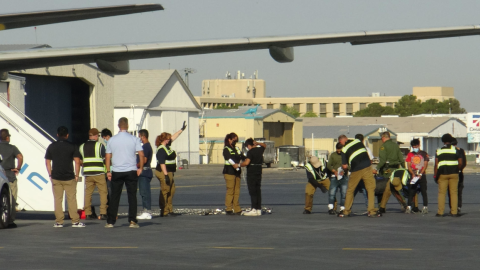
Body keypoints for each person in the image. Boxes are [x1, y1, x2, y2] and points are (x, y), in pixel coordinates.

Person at [105, 118, 144, 228]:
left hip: (117, 171)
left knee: (114, 197)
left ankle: (110, 221)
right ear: (127, 125)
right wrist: (140, 167)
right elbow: (141, 154)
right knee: (132, 196)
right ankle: (132, 220)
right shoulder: (134, 139)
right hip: (131, 170)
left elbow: (107, 157)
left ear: (118, 125)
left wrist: (108, 171)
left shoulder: (112, 140)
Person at [45, 126, 84, 228]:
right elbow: (77, 161)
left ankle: (59, 221)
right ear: (67, 135)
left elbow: (47, 161)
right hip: (69, 176)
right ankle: (75, 221)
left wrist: (50, 174)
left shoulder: (51, 146)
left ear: (57, 135)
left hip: (56, 176)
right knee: (71, 198)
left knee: (58, 199)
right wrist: (76, 174)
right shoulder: (72, 146)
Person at [338, 134, 380, 217]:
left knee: (350, 190)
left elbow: (345, 166)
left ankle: (346, 211)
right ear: (347, 138)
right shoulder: (357, 141)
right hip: (367, 167)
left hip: (356, 169)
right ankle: (371, 211)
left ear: (341, 141)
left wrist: (345, 170)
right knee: (370, 188)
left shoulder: (344, 149)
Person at [154, 122, 187, 217]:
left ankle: (169, 209)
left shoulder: (167, 146)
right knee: (165, 190)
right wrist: (165, 175)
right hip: (163, 171)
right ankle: (164, 210)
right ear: (164, 139)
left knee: (171, 190)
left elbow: (174, 137)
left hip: (170, 172)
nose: (170, 140)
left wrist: (181, 130)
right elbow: (162, 163)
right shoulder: (161, 149)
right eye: (168, 139)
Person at [79, 128, 108, 220]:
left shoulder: (82, 146)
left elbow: (79, 160)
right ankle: (103, 212)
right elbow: (105, 158)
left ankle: (87, 213)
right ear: (95, 136)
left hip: (88, 173)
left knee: (88, 193)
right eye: (98, 136)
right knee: (103, 193)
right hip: (99, 173)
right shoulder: (100, 146)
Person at [375, 131, 405, 214]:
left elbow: (383, 161)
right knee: (396, 188)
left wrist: (376, 168)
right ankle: (404, 204)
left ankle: (381, 206)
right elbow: (401, 159)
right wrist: (405, 169)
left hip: (386, 171)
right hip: (396, 171)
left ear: (383, 138)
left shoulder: (383, 147)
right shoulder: (396, 145)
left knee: (383, 189)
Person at [434, 133, 462, 217]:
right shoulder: (456, 150)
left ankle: (440, 212)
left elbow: (436, 164)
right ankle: (454, 212)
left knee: (442, 193)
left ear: (443, 141)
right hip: (454, 173)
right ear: (451, 141)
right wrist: (457, 169)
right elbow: (460, 162)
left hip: (442, 174)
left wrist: (435, 175)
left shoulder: (439, 150)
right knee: (453, 193)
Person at [0, 129, 23, 228]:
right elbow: (20, 157)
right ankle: (10, 220)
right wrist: (18, 168)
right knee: (12, 199)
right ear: (7, 137)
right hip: (10, 174)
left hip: (1, 174)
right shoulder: (12, 148)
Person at [240, 138, 266, 216]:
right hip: (258, 171)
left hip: (252, 172)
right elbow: (264, 145)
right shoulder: (259, 150)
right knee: (258, 190)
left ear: (248, 145)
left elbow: (247, 162)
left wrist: (239, 165)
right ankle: (258, 209)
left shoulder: (250, 152)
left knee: (252, 191)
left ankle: (254, 208)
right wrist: (258, 143)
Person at [222, 132, 245, 215]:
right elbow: (228, 158)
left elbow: (242, 156)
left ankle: (236, 208)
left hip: (237, 172)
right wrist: (234, 165)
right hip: (229, 172)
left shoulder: (237, 148)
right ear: (229, 139)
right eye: (234, 139)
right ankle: (228, 208)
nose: (235, 141)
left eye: (236, 140)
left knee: (237, 191)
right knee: (230, 190)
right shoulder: (226, 149)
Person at [406, 139, 429, 214]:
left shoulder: (424, 153)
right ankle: (409, 207)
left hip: (422, 175)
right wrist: (412, 174)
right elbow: (408, 165)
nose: (415, 147)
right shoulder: (410, 154)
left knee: (423, 191)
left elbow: (425, 165)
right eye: (413, 146)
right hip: (413, 175)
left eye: (416, 146)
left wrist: (420, 174)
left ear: (419, 145)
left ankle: (425, 207)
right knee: (411, 191)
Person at [136, 129, 154, 220]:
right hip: (145, 172)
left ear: (143, 136)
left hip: (144, 172)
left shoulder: (146, 147)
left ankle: (147, 211)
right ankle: (145, 210)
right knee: (143, 192)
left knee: (145, 192)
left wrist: (136, 165)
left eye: (139, 136)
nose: (139, 138)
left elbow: (144, 160)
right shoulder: (146, 146)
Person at [327, 143, 348, 215]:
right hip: (334, 176)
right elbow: (329, 165)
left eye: (340, 151)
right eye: (338, 151)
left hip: (344, 176)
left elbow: (350, 165)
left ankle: (342, 208)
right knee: (332, 193)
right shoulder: (333, 155)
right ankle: (331, 208)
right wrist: (334, 171)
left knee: (344, 193)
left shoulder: (346, 155)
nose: (339, 152)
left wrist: (345, 169)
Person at [448, 138, 466, 214]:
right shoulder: (460, 150)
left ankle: (453, 207)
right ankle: (457, 207)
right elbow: (464, 163)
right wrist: (459, 169)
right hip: (458, 173)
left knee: (451, 191)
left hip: (450, 173)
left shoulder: (448, 151)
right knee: (458, 190)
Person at [101, 128, 113, 203]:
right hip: (108, 170)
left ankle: (111, 208)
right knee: (108, 190)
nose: (104, 139)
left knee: (110, 189)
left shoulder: (110, 145)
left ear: (107, 136)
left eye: (104, 138)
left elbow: (109, 158)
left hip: (110, 170)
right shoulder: (107, 145)